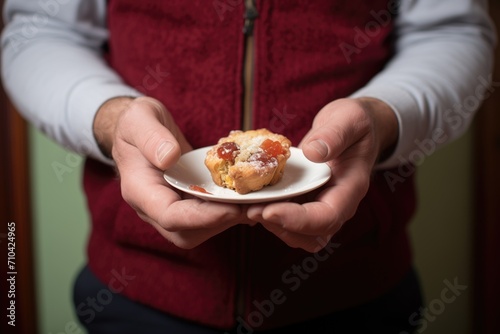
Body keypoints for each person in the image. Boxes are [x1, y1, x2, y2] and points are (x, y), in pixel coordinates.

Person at [1, 0, 495, 333]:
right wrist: (109, 118)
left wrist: (385, 118)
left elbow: (453, 31)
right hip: (135, 295)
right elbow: (37, 31)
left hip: (356, 290)